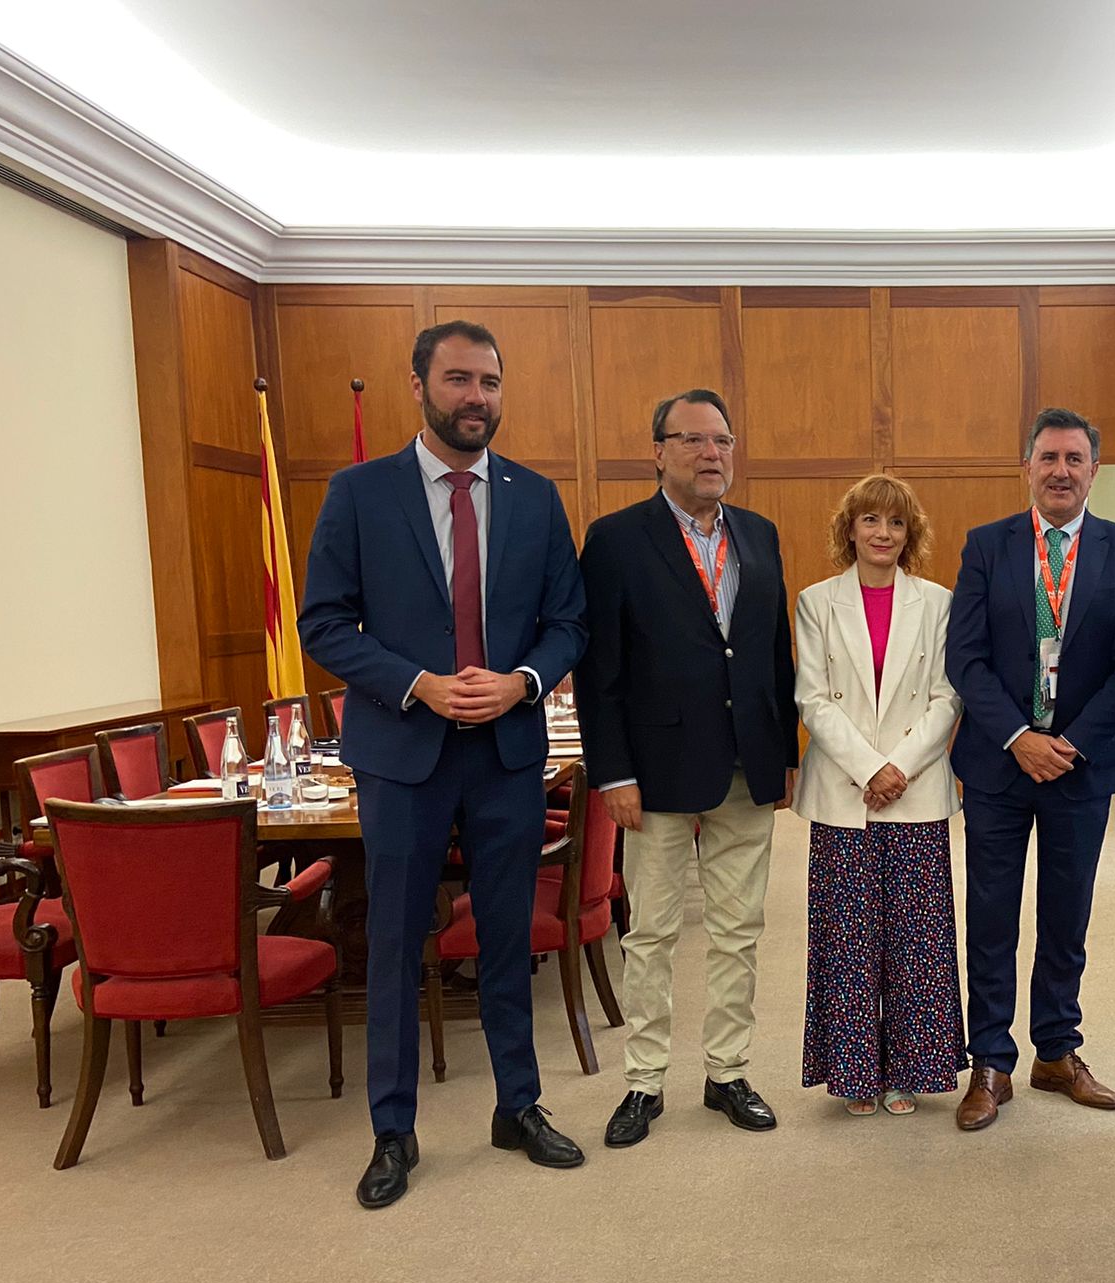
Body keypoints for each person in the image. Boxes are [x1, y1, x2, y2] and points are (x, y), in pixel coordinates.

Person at [299, 320, 588, 1209]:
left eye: (491, 383)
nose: (477, 398)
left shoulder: (536, 499)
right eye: (460, 380)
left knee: (504, 937)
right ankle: (394, 1129)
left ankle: (518, 1105)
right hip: (403, 755)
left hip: (506, 752)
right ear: (418, 386)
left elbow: (568, 622)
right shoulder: (359, 494)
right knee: (392, 942)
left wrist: (525, 682)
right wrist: (417, 682)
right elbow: (324, 625)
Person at [579, 389, 797, 1148]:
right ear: (659, 452)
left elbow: (772, 655)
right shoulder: (613, 541)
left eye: (723, 440)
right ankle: (643, 1082)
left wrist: (785, 756)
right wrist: (612, 774)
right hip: (656, 770)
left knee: (740, 931)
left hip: (747, 764)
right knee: (653, 936)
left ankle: (728, 1071)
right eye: (694, 440)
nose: (713, 454)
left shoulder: (761, 535)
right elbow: (599, 667)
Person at [945, 407, 1115, 1131]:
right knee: (991, 916)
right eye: (1048, 458)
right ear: (1026, 468)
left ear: (1094, 470)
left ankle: (1058, 1052)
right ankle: (991, 1062)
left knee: (1068, 917)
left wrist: (1069, 743)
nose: (1061, 471)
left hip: (1081, 767)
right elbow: (964, 658)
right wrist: (1016, 737)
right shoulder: (987, 546)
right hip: (1000, 765)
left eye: (1074, 459)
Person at [793, 475, 965, 1115]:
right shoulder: (815, 601)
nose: (882, 534)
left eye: (895, 523)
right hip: (843, 793)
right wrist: (870, 769)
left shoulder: (938, 602)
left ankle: (910, 1071)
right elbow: (811, 696)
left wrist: (901, 766)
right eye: (870, 520)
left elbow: (950, 694)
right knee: (846, 939)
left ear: (909, 533)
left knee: (917, 938)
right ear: (850, 529)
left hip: (916, 791)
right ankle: (855, 1072)